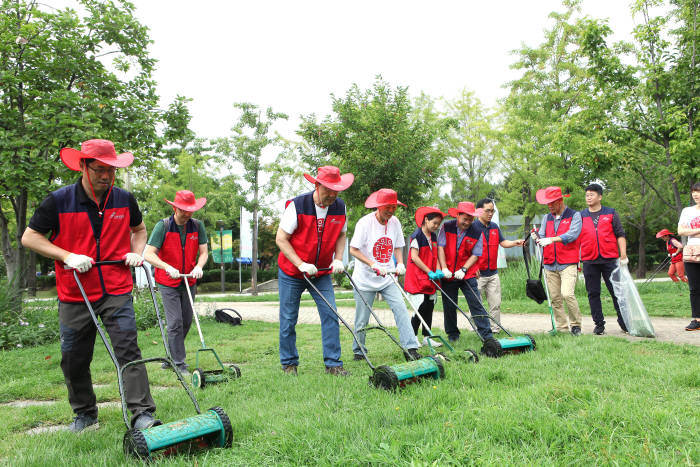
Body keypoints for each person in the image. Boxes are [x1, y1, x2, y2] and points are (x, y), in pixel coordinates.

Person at [21, 139, 158, 433]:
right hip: (75, 292)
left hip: (116, 288)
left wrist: (137, 250)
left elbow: (139, 229)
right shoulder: (58, 201)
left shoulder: (124, 199)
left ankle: (142, 413)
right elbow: (30, 237)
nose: (106, 176)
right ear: (83, 166)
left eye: (111, 170)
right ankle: (85, 413)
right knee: (73, 358)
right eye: (99, 170)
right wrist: (67, 255)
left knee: (128, 350)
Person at [275, 166, 353, 375]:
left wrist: (338, 259)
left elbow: (341, 235)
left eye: (336, 190)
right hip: (292, 273)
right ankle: (289, 364)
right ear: (317, 185)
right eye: (329, 190)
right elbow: (281, 239)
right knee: (289, 319)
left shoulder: (340, 208)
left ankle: (333, 364)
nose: (333, 195)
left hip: (321, 273)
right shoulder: (297, 206)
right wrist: (300, 264)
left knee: (330, 314)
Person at [349, 189, 422, 361]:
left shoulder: (395, 222)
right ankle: (359, 352)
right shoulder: (364, 223)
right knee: (362, 319)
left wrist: (401, 263)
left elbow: (397, 245)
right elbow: (353, 250)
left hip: (388, 277)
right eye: (387, 207)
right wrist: (373, 264)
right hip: (365, 280)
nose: (390, 211)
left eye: (393, 207)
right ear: (379, 205)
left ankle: (410, 348)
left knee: (401, 309)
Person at [143, 190, 208, 375]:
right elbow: (148, 254)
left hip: (189, 279)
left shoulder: (197, 226)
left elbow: (203, 252)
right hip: (168, 281)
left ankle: (171, 356)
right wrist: (165, 266)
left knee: (186, 321)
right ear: (174, 208)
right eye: (183, 210)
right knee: (175, 323)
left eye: (190, 210)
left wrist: (199, 266)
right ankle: (179, 364)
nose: (187, 214)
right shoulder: (162, 226)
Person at [437, 202, 494, 344]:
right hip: (448, 273)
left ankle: (486, 334)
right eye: (465, 219)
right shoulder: (447, 227)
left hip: (467, 273)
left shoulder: (476, 231)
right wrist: (444, 268)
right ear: (458, 215)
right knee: (449, 305)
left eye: (470, 219)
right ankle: (452, 335)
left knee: (476, 303)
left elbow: (476, 254)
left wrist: (464, 269)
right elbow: (440, 248)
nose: (467, 222)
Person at [579, 184, 629, 335]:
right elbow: (575, 239)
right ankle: (599, 324)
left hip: (610, 259)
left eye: (592, 194)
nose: (588, 197)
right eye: (587, 195)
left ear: (600, 196)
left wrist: (623, 254)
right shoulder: (580, 216)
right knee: (593, 293)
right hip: (589, 260)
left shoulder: (611, 213)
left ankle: (624, 322)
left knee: (617, 292)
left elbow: (620, 234)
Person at [535, 186, 583, 335]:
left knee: (567, 294)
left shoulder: (574, 215)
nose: (549, 206)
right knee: (555, 298)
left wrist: (552, 240)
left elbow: (572, 235)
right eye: (547, 204)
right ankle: (562, 328)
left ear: (560, 201)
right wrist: (537, 237)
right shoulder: (546, 218)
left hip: (568, 262)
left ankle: (576, 325)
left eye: (552, 203)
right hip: (550, 263)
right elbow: (542, 235)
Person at [473, 198, 525, 332]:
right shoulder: (472, 228)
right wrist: (472, 267)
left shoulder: (495, 227)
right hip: (477, 274)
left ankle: (495, 328)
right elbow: (467, 250)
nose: (490, 213)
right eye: (487, 211)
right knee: (476, 304)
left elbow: (503, 242)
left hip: (493, 273)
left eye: (492, 211)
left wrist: (515, 243)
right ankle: (478, 328)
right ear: (479, 211)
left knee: (495, 304)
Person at [404, 206, 446, 344]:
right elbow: (415, 257)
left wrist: (439, 270)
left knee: (429, 307)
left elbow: (435, 255)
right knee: (419, 308)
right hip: (418, 278)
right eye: (434, 223)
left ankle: (427, 338)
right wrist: (429, 271)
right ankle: (413, 337)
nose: (436, 226)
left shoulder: (433, 236)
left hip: (430, 279)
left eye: (438, 224)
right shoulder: (417, 236)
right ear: (426, 220)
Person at [677, 181, 700, 331]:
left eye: (698, 191)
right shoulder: (687, 211)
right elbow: (680, 231)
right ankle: (697, 319)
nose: (696, 194)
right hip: (691, 250)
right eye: (694, 191)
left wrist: (690, 229)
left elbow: (686, 230)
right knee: (694, 287)